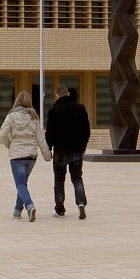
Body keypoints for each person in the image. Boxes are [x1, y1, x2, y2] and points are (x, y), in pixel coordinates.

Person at [0, 91, 51, 221]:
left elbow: (2, 135)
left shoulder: (11, 117)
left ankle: (29, 205)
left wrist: (9, 144)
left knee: (20, 184)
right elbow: (40, 138)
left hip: (17, 155)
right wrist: (47, 154)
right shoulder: (34, 117)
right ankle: (17, 210)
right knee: (23, 183)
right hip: (31, 156)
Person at [45, 84, 91, 219]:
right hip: (77, 150)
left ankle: (60, 209)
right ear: (68, 94)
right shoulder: (80, 109)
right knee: (77, 178)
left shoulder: (54, 111)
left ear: (57, 95)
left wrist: (49, 148)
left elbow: (50, 133)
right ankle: (81, 203)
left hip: (60, 150)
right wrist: (83, 146)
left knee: (59, 180)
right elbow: (86, 130)